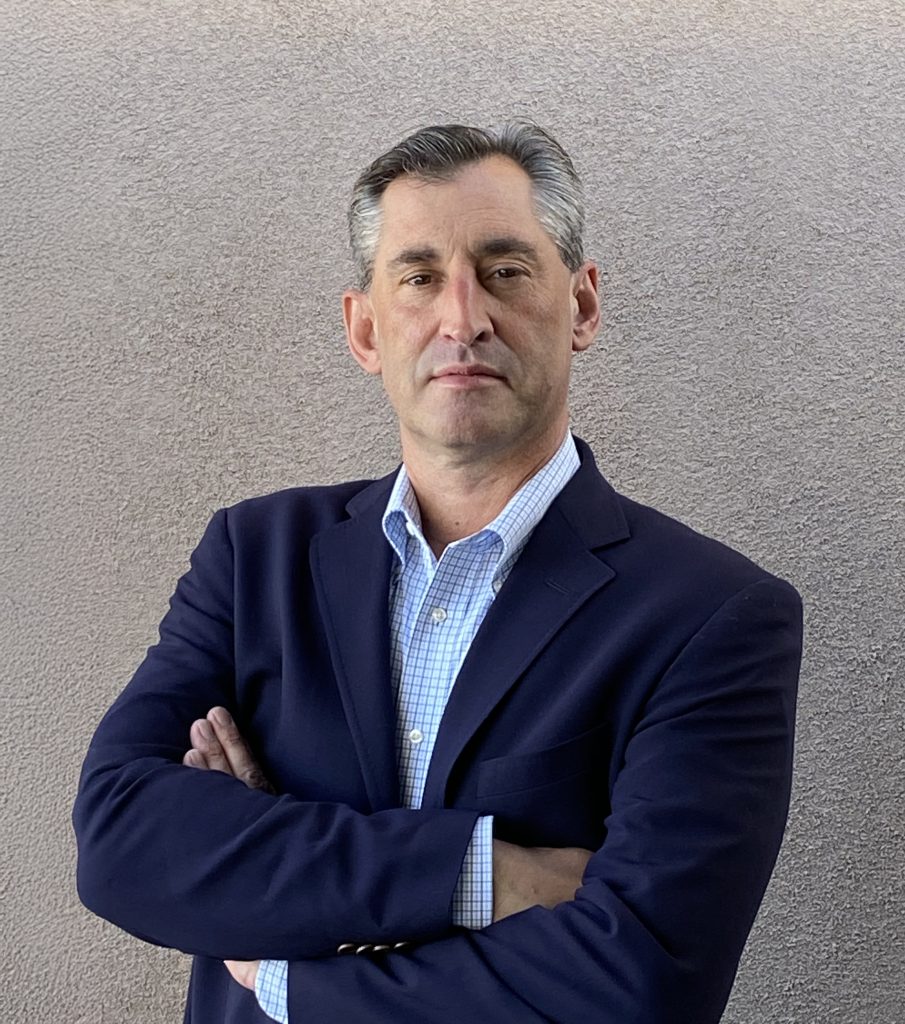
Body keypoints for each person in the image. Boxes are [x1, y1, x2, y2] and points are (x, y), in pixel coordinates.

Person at [73, 121, 803, 1024]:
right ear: (365, 329)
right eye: (419, 278)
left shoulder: (712, 615)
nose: (463, 317)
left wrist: (287, 958)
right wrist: (479, 875)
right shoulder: (252, 557)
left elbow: (643, 981)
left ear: (580, 307)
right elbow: (118, 842)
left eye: (504, 270)